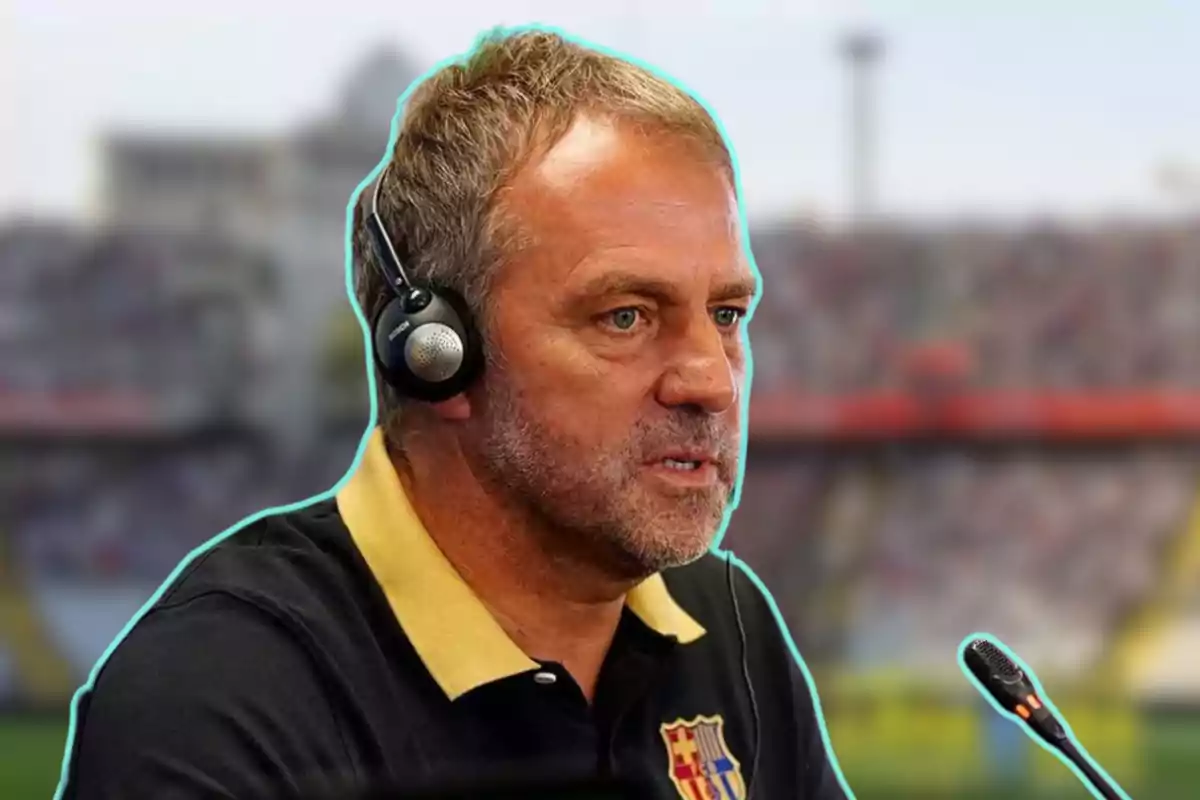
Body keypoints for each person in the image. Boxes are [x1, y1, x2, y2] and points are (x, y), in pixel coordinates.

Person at [61, 28, 849, 800]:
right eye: (626, 316)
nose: (712, 380)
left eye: (726, 315)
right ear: (439, 354)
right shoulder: (218, 700)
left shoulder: (728, 625)